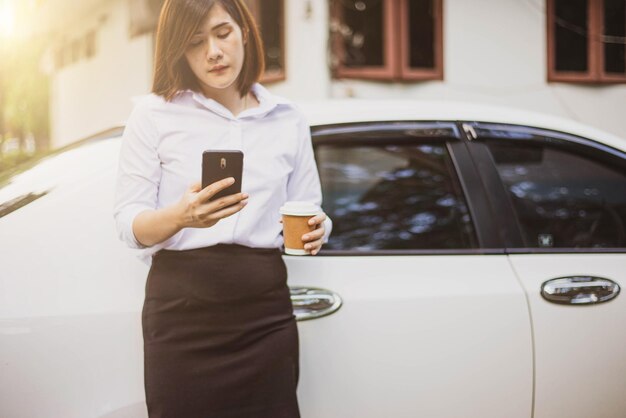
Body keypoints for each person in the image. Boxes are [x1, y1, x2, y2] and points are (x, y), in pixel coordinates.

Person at [113, 0, 332, 416]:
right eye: (195, 42)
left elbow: (307, 207)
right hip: (182, 314)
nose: (212, 51)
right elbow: (128, 223)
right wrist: (182, 216)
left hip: (264, 310)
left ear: (244, 31)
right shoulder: (153, 114)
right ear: (179, 50)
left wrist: (322, 227)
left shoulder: (288, 118)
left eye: (222, 33)